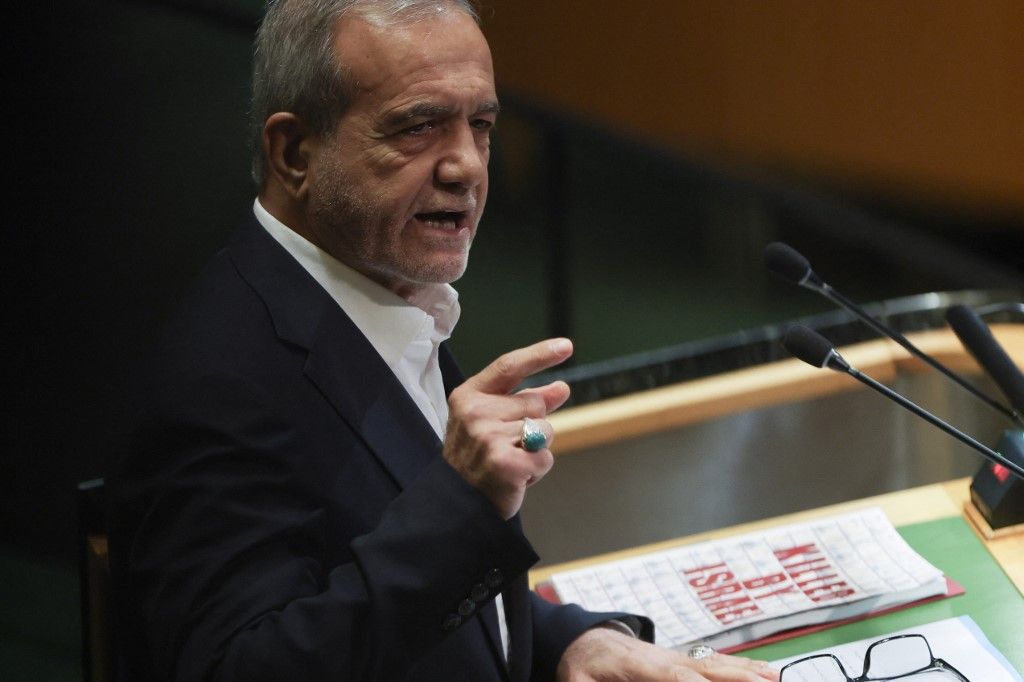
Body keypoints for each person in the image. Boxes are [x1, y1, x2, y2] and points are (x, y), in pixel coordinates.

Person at [109, 1, 781, 680]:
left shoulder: (380, 294)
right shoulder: (222, 380)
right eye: (418, 126)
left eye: (481, 126)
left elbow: (398, 577)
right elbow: (243, 666)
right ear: (294, 153)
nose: (466, 166)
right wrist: (464, 500)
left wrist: (571, 643)